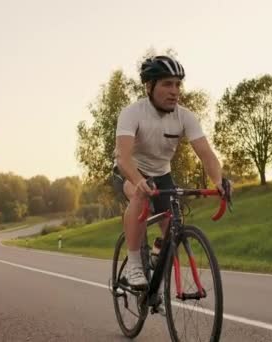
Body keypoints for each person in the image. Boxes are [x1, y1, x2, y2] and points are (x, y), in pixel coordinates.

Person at [112, 55, 231, 290]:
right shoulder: (132, 113)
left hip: (161, 174)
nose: (174, 91)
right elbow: (123, 158)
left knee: (173, 228)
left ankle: (156, 263)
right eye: (167, 84)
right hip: (129, 171)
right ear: (149, 86)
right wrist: (139, 180)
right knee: (140, 194)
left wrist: (218, 180)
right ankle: (134, 265)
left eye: (178, 84)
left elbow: (207, 154)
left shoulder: (185, 116)